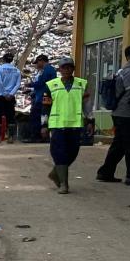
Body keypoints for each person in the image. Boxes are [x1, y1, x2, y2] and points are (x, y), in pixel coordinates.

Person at [43, 58, 89, 194]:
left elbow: (87, 105)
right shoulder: (51, 85)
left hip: (75, 125)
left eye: (70, 67)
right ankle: (64, 184)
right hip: (57, 125)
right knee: (60, 153)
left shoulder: (82, 84)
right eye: (64, 68)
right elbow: (45, 107)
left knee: (73, 153)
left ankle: (55, 172)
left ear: (73, 69)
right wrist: (44, 125)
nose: (67, 70)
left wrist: (90, 121)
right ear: (60, 70)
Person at [97, 46, 130, 184]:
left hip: (119, 113)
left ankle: (105, 172)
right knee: (129, 145)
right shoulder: (129, 72)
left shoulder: (122, 71)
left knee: (120, 145)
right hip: (127, 114)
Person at [25, 55, 57, 144]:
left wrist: (30, 85)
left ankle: (35, 136)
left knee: (36, 116)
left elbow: (42, 83)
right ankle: (42, 136)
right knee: (43, 117)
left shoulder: (47, 70)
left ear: (41, 61)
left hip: (43, 98)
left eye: (37, 62)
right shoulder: (49, 70)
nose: (37, 65)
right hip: (43, 96)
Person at [0, 52, 22, 144]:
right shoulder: (17, 71)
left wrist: (5, 93)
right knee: (10, 116)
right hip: (11, 97)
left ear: (3, 59)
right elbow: (17, 84)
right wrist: (11, 94)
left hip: (0, 95)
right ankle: (11, 137)